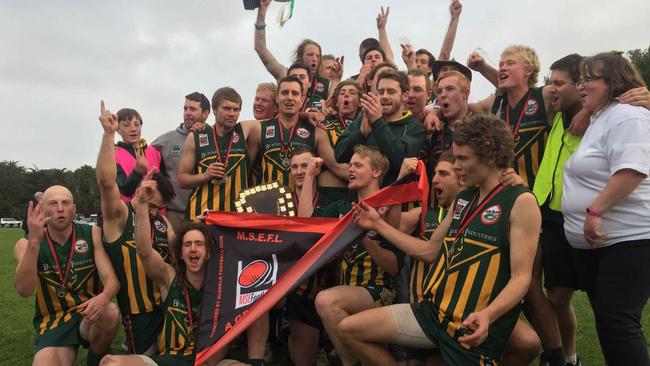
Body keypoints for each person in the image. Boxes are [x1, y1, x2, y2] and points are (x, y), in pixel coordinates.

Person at [338, 113, 541, 366]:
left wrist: (488, 315)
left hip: (468, 328)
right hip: (432, 314)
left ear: (489, 156)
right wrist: (376, 224)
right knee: (348, 328)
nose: (456, 166)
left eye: (463, 159)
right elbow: (429, 251)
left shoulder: (521, 201)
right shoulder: (465, 197)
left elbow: (521, 278)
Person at [562, 51, 650, 365]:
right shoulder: (604, 116)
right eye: (580, 79)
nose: (581, 85)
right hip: (603, 245)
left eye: (589, 79)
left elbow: (631, 171)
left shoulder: (628, 115)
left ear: (613, 82)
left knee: (618, 325)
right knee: (613, 326)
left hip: (628, 241)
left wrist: (595, 211)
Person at [299, 145, 402, 366]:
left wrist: (361, 236)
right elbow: (305, 219)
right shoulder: (343, 207)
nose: (351, 170)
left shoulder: (389, 206)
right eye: (350, 165)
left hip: (379, 290)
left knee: (326, 300)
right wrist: (309, 175)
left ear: (376, 172)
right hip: (348, 292)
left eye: (358, 165)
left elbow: (393, 266)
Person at [100, 182, 212, 366]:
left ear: (208, 252)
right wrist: (142, 205)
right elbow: (144, 251)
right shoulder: (170, 278)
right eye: (188, 245)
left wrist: (198, 226)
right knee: (110, 363)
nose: (193, 249)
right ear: (180, 253)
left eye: (199, 244)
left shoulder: (220, 281)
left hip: (207, 359)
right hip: (162, 346)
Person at [96, 101, 176, 355]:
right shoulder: (120, 216)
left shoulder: (162, 222)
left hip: (169, 308)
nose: (153, 212)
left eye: (157, 207)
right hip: (140, 314)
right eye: (126, 123)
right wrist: (108, 135)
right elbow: (109, 185)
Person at [14, 186, 120, 366]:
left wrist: (104, 297)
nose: (60, 208)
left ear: (74, 209)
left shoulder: (91, 233)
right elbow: (24, 290)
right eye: (53, 204)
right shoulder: (25, 244)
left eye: (66, 203)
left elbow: (112, 281)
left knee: (110, 312)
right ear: (42, 209)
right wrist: (34, 241)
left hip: (89, 313)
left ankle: (95, 358)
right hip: (54, 320)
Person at [251, 75, 349, 189]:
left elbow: (337, 167)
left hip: (303, 203)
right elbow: (245, 170)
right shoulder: (258, 129)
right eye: (285, 92)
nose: (289, 97)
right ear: (277, 98)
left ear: (302, 100)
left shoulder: (316, 131)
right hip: (269, 204)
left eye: (295, 93)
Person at [178, 87, 259, 219]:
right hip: (201, 216)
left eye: (236, 109)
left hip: (235, 218)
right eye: (226, 108)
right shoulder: (196, 137)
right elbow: (182, 179)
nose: (232, 113)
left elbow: (280, 120)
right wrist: (205, 175)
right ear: (214, 110)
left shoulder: (245, 129)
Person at [335, 69, 425, 185]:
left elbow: (399, 161)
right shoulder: (364, 119)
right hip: (356, 200)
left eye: (391, 92)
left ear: (405, 95)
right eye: (381, 92)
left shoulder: (415, 128)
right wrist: (361, 133)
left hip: (389, 199)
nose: (384, 96)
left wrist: (378, 122)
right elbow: (339, 155)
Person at [285, 148, 329, 366]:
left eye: (305, 165)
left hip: (322, 286)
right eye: (294, 167)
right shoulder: (279, 200)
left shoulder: (330, 199)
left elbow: (306, 223)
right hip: (293, 290)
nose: (300, 171)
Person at [152, 92, 211, 232]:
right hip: (174, 214)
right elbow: (144, 159)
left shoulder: (214, 137)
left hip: (204, 213)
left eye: (193, 109)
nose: (187, 113)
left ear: (206, 113)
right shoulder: (166, 140)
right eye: (185, 109)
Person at [254, 0, 337, 97]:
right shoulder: (286, 74)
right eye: (310, 55)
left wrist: (336, 80)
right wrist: (262, 12)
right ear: (300, 57)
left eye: (318, 56)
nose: (314, 58)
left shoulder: (326, 84)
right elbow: (260, 48)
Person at [319, 80, 362, 205]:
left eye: (352, 92)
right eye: (342, 93)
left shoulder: (366, 126)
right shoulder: (324, 125)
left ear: (360, 102)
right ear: (337, 102)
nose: (346, 95)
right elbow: (333, 163)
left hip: (359, 192)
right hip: (331, 193)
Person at [113, 108, 162, 202]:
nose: (133, 129)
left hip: (156, 211)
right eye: (126, 125)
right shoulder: (114, 155)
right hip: (132, 211)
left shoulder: (155, 152)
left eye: (137, 124)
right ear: (117, 129)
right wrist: (137, 172)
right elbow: (124, 189)